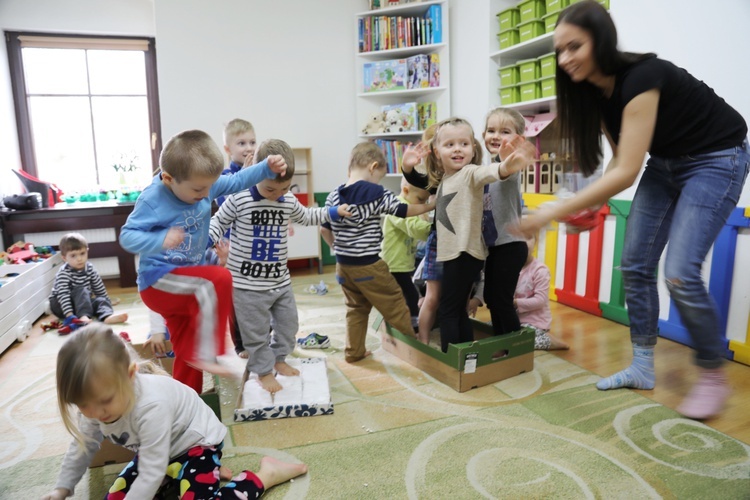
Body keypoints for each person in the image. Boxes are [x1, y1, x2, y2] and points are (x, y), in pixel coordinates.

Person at [513, 0, 749, 419]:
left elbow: (626, 172)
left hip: (717, 157)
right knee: (636, 263)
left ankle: (712, 375)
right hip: (666, 162)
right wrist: (593, 202)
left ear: (600, 40)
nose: (565, 59)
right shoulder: (596, 94)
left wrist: (553, 210)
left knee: (678, 271)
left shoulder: (642, 77)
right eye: (560, 51)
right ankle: (642, 366)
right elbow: (621, 158)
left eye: (574, 46)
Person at [41, 323, 307, 500]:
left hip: (196, 444)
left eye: (105, 401)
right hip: (155, 451)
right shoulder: (93, 404)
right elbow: (81, 448)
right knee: (116, 496)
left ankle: (263, 475)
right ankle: (204, 473)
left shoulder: (150, 406)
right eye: (83, 405)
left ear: (131, 375)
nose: (96, 413)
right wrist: (61, 489)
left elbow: (151, 471)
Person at [119, 129, 287, 394]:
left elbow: (238, 180)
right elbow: (127, 237)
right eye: (198, 189)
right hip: (158, 282)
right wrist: (160, 239)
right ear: (168, 179)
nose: (206, 194)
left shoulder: (205, 186)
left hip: (184, 287)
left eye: (209, 187)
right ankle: (209, 351)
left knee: (187, 350)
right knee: (219, 278)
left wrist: (266, 167)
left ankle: (189, 399)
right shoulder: (152, 200)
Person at [209, 138, 351, 394]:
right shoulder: (239, 199)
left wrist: (332, 212)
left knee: (288, 326)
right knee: (256, 334)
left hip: (280, 282)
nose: (278, 195)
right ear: (256, 176)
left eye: (284, 189)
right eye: (271, 190)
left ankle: (279, 359)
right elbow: (217, 221)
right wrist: (207, 238)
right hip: (247, 286)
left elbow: (307, 215)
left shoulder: (286, 200)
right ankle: (263, 371)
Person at [424, 117, 534, 352]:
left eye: (463, 144)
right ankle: (466, 356)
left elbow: (494, 171)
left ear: (473, 148)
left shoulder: (469, 173)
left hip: (464, 253)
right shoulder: (447, 177)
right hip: (455, 253)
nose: (457, 149)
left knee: (448, 310)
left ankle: (456, 363)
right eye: (450, 144)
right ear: (437, 152)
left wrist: (507, 164)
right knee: (456, 309)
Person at [320, 142, 435, 363]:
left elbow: (324, 228)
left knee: (356, 308)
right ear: (373, 167)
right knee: (396, 304)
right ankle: (415, 352)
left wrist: (335, 247)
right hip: (369, 265)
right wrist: (430, 206)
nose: (378, 182)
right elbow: (403, 210)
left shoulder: (334, 195)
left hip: (342, 266)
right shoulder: (376, 193)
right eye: (379, 176)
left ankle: (354, 352)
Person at [481, 108, 531, 336]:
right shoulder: (486, 170)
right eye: (491, 130)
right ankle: (501, 341)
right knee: (492, 299)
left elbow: (507, 168)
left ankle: (514, 345)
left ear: (518, 139)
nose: (496, 136)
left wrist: (507, 158)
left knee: (501, 300)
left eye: (504, 131)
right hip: (493, 246)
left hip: (510, 245)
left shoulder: (511, 165)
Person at [400, 124, 441, 343]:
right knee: (418, 296)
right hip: (401, 263)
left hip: (411, 260)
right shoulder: (399, 205)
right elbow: (415, 227)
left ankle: (421, 327)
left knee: (423, 295)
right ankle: (418, 333)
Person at [380, 176, 432, 335]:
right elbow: (414, 227)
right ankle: (412, 326)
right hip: (393, 264)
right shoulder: (398, 207)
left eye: (425, 201)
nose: (422, 204)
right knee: (408, 294)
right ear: (406, 191)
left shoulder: (410, 205)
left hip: (403, 263)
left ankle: (401, 323)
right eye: (420, 199)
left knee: (404, 294)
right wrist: (435, 228)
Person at [48, 232, 128, 333]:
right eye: (73, 256)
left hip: (81, 303)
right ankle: (83, 317)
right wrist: (70, 316)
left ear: (87, 251)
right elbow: (63, 295)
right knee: (81, 289)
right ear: (64, 258)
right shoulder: (63, 273)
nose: (79, 259)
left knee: (99, 299)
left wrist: (106, 302)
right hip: (60, 305)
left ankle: (107, 316)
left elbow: (99, 289)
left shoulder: (90, 268)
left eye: (82, 253)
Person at [514, 233, 569, 351]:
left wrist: (515, 303)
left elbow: (540, 301)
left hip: (535, 323)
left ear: (536, 242)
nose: (523, 242)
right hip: (515, 320)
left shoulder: (540, 270)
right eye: (519, 238)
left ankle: (550, 341)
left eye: (528, 237)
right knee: (491, 331)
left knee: (517, 343)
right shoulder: (511, 267)